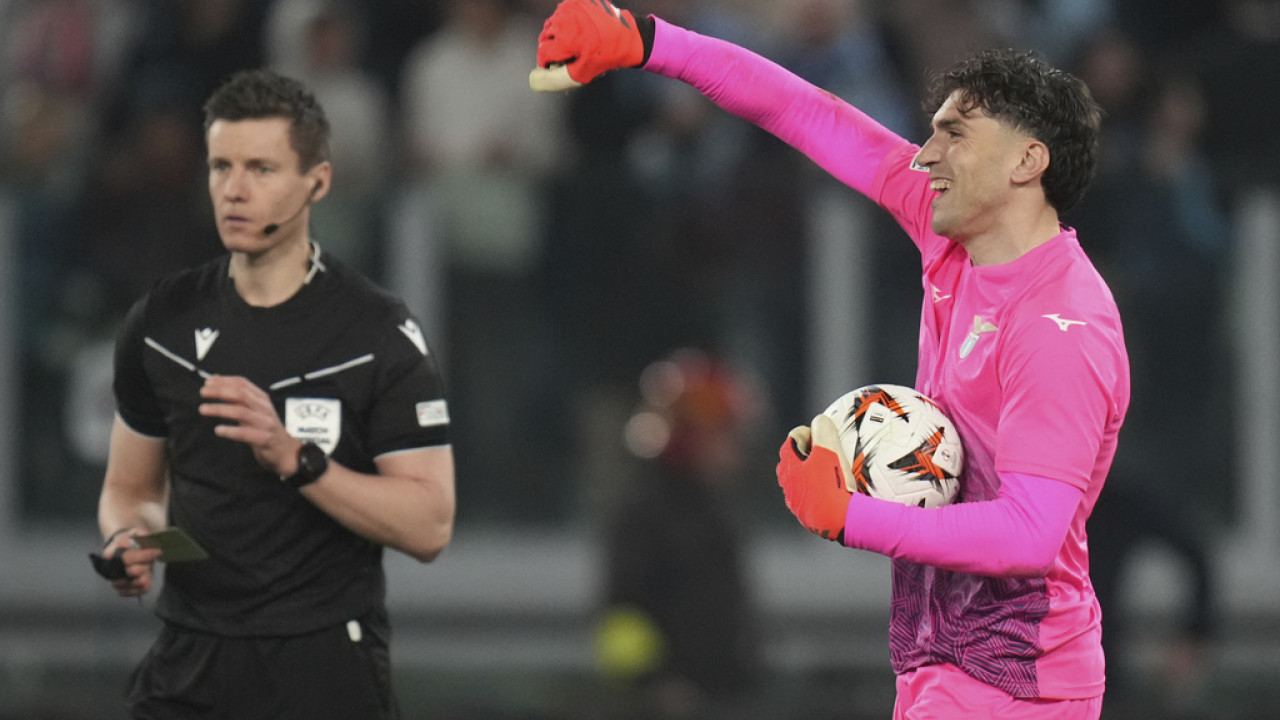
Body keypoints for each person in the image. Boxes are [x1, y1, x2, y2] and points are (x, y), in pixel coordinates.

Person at [532, 2, 1129, 718]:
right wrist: (648, 42)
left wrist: (848, 515)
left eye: (955, 136)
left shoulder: (1060, 326)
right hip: (948, 662)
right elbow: (804, 111)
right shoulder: (952, 235)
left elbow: (1030, 534)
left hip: (1017, 681)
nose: (927, 155)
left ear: (1027, 162)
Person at [93, 69, 456, 719]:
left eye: (261, 169)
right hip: (189, 659)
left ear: (317, 181)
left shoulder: (376, 332)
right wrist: (130, 537)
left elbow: (430, 524)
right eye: (221, 166)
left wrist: (298, 459)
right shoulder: (161, 322)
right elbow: (131, 487)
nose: (234, 190)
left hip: (323, 662)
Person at [596, 348, 764, 718]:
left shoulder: (717, 511)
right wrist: (655, 685)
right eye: (724, 434)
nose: (737, 448)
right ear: (689, 437)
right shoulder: (644, 518)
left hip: (724, 699)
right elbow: (622, 618)